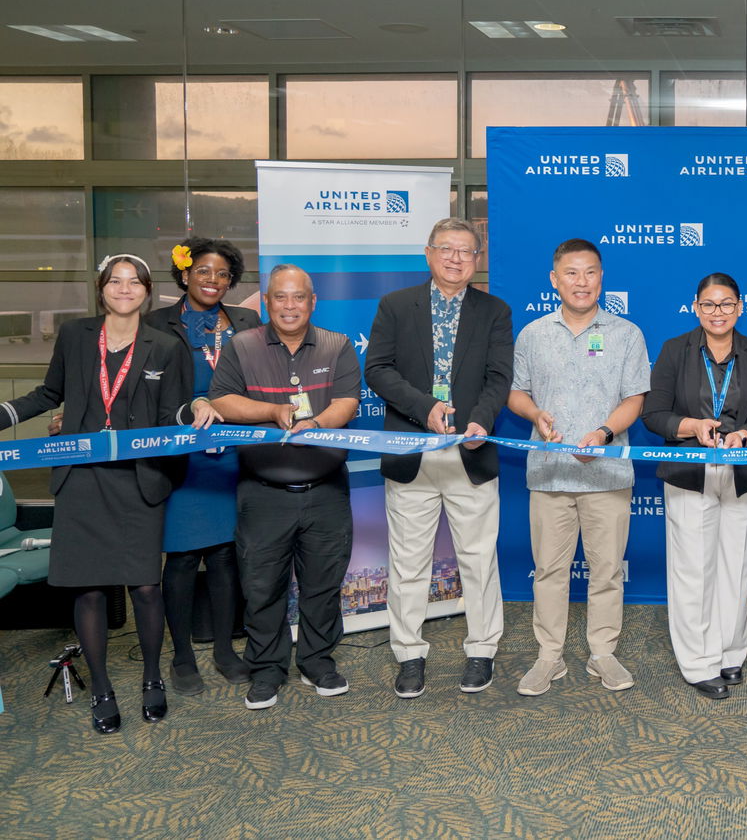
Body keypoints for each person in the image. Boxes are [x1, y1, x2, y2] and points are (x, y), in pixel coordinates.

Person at [1, 255, 190, 733]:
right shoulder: (75, 336)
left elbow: (173, 419)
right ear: (101, 287)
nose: (124, 290)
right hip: (82, 479)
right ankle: (102, 687)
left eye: (134, 283)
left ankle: (152, 679)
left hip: (137, 478)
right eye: (115, 281)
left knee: (146, 586)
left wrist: (199, 419)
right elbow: (49, 394)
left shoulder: (166, 347)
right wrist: (3, 414)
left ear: (147, 292)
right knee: (88, 589)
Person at [366, 218, 513, 699]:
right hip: (412, 451)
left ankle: (482, 650)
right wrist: (424, 408)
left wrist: (482, 423)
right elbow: (377, 370)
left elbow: (498, 378)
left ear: (478, 260)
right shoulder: (395, 306)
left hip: (470, 453)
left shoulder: (494, 311)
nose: (455, 258)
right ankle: (409, 654)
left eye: (466, 251)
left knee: (478, 560)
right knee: (408, 563)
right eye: (446, 249)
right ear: (428, 254)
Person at [205, 264, 361, 710]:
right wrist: (272, 412)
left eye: (299, 298)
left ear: (313, 303)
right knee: (262, 586)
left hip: (326, 489)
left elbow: (348, 401)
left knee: (322, 583)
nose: (289, 306)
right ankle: (268, 668)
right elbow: (221, 400)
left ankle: (317, 661)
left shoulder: (337, 344)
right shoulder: (243, 345)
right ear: (267, 302)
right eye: (280, 297)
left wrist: (315, 422)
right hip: (263, 492)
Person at [508, 239, 650, 698]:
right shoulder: (532, 334)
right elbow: (516, 391)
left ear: (601, 277)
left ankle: (602, 653)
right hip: (549, 473)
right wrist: (534, 414)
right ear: (555, 279)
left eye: (590, 272)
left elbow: (635, 399)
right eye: (571, 273)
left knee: (607, 569)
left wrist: (606, 433)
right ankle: (548, 657)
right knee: (549, 569)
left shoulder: (627, 333)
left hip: (606, 474)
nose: (581, 282)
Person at [642, 273, 747, 700]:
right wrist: (690, 426)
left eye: (726, 304)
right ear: (696, 307)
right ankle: (698, 662)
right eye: (709, 304)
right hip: (690, 469)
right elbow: (653, 413)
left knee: (736, 567)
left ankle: (730, 653)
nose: (717, 313)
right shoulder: (674, 350)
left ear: (740, 307)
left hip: (743, 469)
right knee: (692, 569)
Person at [145, 237, 259, 696]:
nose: (213, 281)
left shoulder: (246, 321)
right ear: (185, 275)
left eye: (223, 274)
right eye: (204, 272)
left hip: (233, 454)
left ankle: (225, 651)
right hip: (182, 455)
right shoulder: (156, 323)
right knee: (183, 556)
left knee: (226, 554)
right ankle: (182, 656)